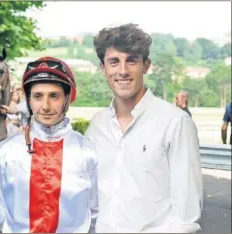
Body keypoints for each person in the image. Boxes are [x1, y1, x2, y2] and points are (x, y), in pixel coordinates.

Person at [85, 23, 203, 233]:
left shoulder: (175, 123)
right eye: (114, 62)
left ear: (146, 65)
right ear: (103, 68)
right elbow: (91, 203)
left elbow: (186, 215)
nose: (122, 71)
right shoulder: (96, 126)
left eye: (131, 61)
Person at [0, 57, 98, 233]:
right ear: (29, 100)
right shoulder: (5, 152)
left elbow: (98, 208)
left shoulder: (88, 152)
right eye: (38, 96)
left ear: (67, 99)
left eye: (54, 96)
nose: (45, 106)